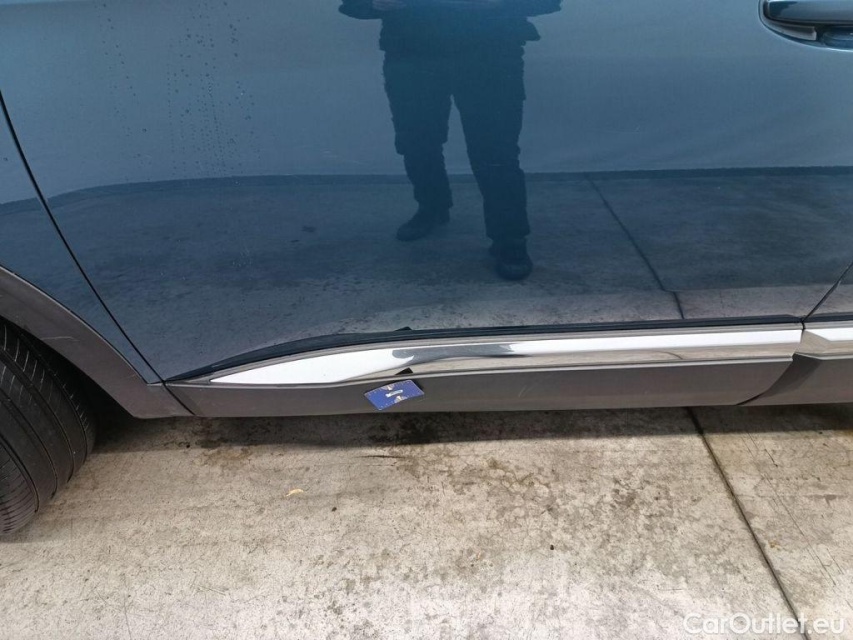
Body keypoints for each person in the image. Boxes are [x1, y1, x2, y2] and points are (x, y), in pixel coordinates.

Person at [340, 0, 561, 280]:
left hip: (490, 53)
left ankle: (510, 238)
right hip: (411, 54)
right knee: (417, 141)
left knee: (496, 150)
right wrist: (376, 4)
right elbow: (353, 4)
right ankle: (432, 206)